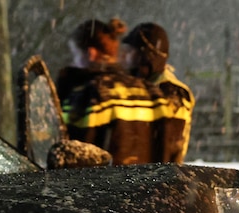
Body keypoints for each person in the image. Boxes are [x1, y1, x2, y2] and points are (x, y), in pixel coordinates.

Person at [56, 18, 163, 166]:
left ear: (91, 53)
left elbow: (73, 157)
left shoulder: (91, 94)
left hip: (106, 181)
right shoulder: (145, 89)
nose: (74, 62)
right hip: (144, 180)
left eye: (75, 55)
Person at [120, 22, 194, 163]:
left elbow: (167, 150)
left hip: (154, 175)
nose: (124, 57)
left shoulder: (172, 93)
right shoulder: (141, 86)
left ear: (146, 56)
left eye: (130, 52)